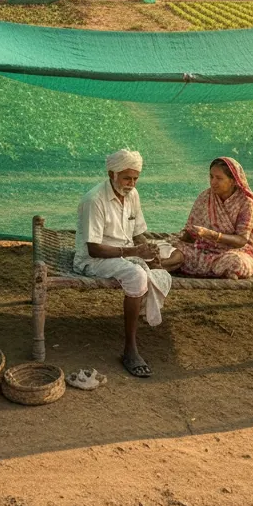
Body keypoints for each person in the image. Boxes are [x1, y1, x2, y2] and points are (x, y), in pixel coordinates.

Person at [74, 149, 175, 378]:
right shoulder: (95, 200)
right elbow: (94, 248)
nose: (131, 183)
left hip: (127, 250)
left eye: (135, 178)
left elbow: (138, 232)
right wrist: (134, 251)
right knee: (137, 276)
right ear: (112, 173)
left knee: (170, 250)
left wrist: (149, 249)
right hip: (96, 259)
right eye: (127, 178)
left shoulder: (133, 195)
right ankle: (130, 349)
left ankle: (150, 274)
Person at [174, 157, 253, 279]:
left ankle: (219, 268)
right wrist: (181, 240)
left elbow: (242, 240)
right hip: (205, 248)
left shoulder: (246, 203)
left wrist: (214, 235)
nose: (213, 182)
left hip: (236, 251)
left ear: (233, 181)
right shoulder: (205, 197)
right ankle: (219, 270)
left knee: (235, 262)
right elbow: (191, 231)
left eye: (219, 178)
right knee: (173, 249)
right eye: (211, 177)